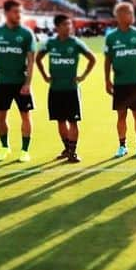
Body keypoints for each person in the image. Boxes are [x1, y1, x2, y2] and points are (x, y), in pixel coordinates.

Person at [0, 0, 36, 162]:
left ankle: (25, 151)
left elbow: (31, 60)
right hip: (2, 83)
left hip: (21, 83)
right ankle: (4, 147)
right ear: (6, 13)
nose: (19, 15)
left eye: (21, 12)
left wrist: (28, 83)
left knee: (25, 116)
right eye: (15, 12)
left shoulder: (26, 34)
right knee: (0, 117)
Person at [36, 14, 95, 163]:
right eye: (65, 25)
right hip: (55, 89)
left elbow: (92, 59)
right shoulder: (50, 43)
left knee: (73, 122)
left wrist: (83, 76)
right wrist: (44, 75)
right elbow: (38, 58)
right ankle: (67, 149)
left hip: (71, 89)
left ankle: (73, 152)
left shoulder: (76, 43)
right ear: (57, 27)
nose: (69, 27)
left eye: (70, 25)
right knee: (60, 121)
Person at [104, 1, 136, 158]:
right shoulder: (111, 37)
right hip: (119, 83)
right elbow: (107, 60)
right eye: (128, 13)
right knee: (121, 116)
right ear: (118, 16)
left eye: (132, 13)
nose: (131, 16)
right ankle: (122, 146)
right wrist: (107, 80)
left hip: (135, 83)